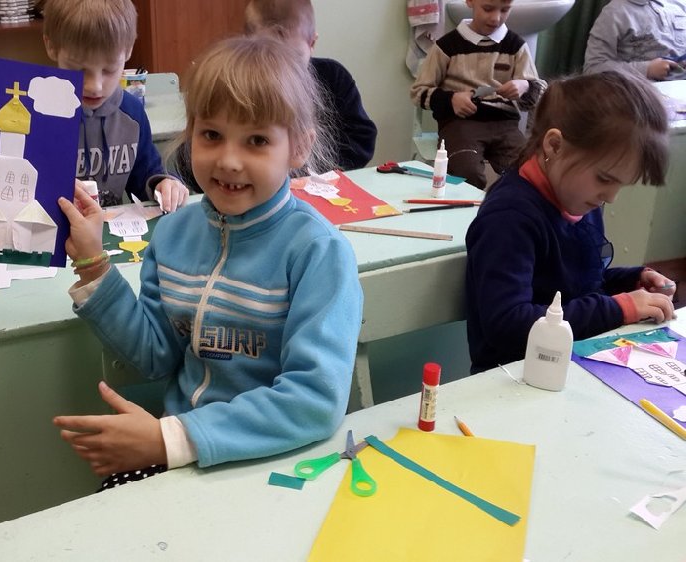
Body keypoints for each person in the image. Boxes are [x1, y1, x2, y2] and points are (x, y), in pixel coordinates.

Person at [53, 35, 363, 488]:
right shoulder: (172, 234)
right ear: (191, 132)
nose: (229, 161)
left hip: (279, 461)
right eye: (212, 135)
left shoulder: (318, 251)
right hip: (186, 453)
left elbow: (314, 399)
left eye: (257, 140)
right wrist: (93, 265)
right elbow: (155, 355)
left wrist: (171, 438)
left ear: (298, 148)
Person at [465, 71, 677, 374]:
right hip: (513, 377)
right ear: (554, 146)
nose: (611, 197)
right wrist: (617, 309)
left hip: (573, 362)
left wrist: (630, 282)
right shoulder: (509, 218)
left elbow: (574, 286)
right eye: (604, 179)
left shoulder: (577, 196)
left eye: (622, 184)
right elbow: (508, 325)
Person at [42, 0, 189, 211]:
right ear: (51, 46)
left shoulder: (132, 113)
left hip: (109, 228)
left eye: (109, 70)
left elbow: (146, 175)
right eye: (79, 70)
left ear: (128, 51)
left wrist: (163, 185)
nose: (95, 87)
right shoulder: (38, 113)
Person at [410, 0, 547, 189]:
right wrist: (451, 100)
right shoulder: (447, 46)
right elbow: (418, 92)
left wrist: (524, 86)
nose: (496, 18)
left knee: (529, 170)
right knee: (467, 172)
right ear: (470, 2)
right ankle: (468, 207)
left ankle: (505, 204)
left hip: (505, 125)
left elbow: (538, 92)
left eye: (505, 10)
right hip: (459, 124)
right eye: (488, 9)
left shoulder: (515, 46)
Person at [244, 0, 377, 171]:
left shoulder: (333, 76)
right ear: (248, 46)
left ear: (312, 43)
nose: (284, 69)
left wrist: (322, 170)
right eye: (269, 58)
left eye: (294, 58)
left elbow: (362, 137)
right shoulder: (239, 84)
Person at [584, 0, 686, 81]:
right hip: (643, 93)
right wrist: (646, 69)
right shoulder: (613, 13)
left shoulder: (680, 5)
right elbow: (593, 68)